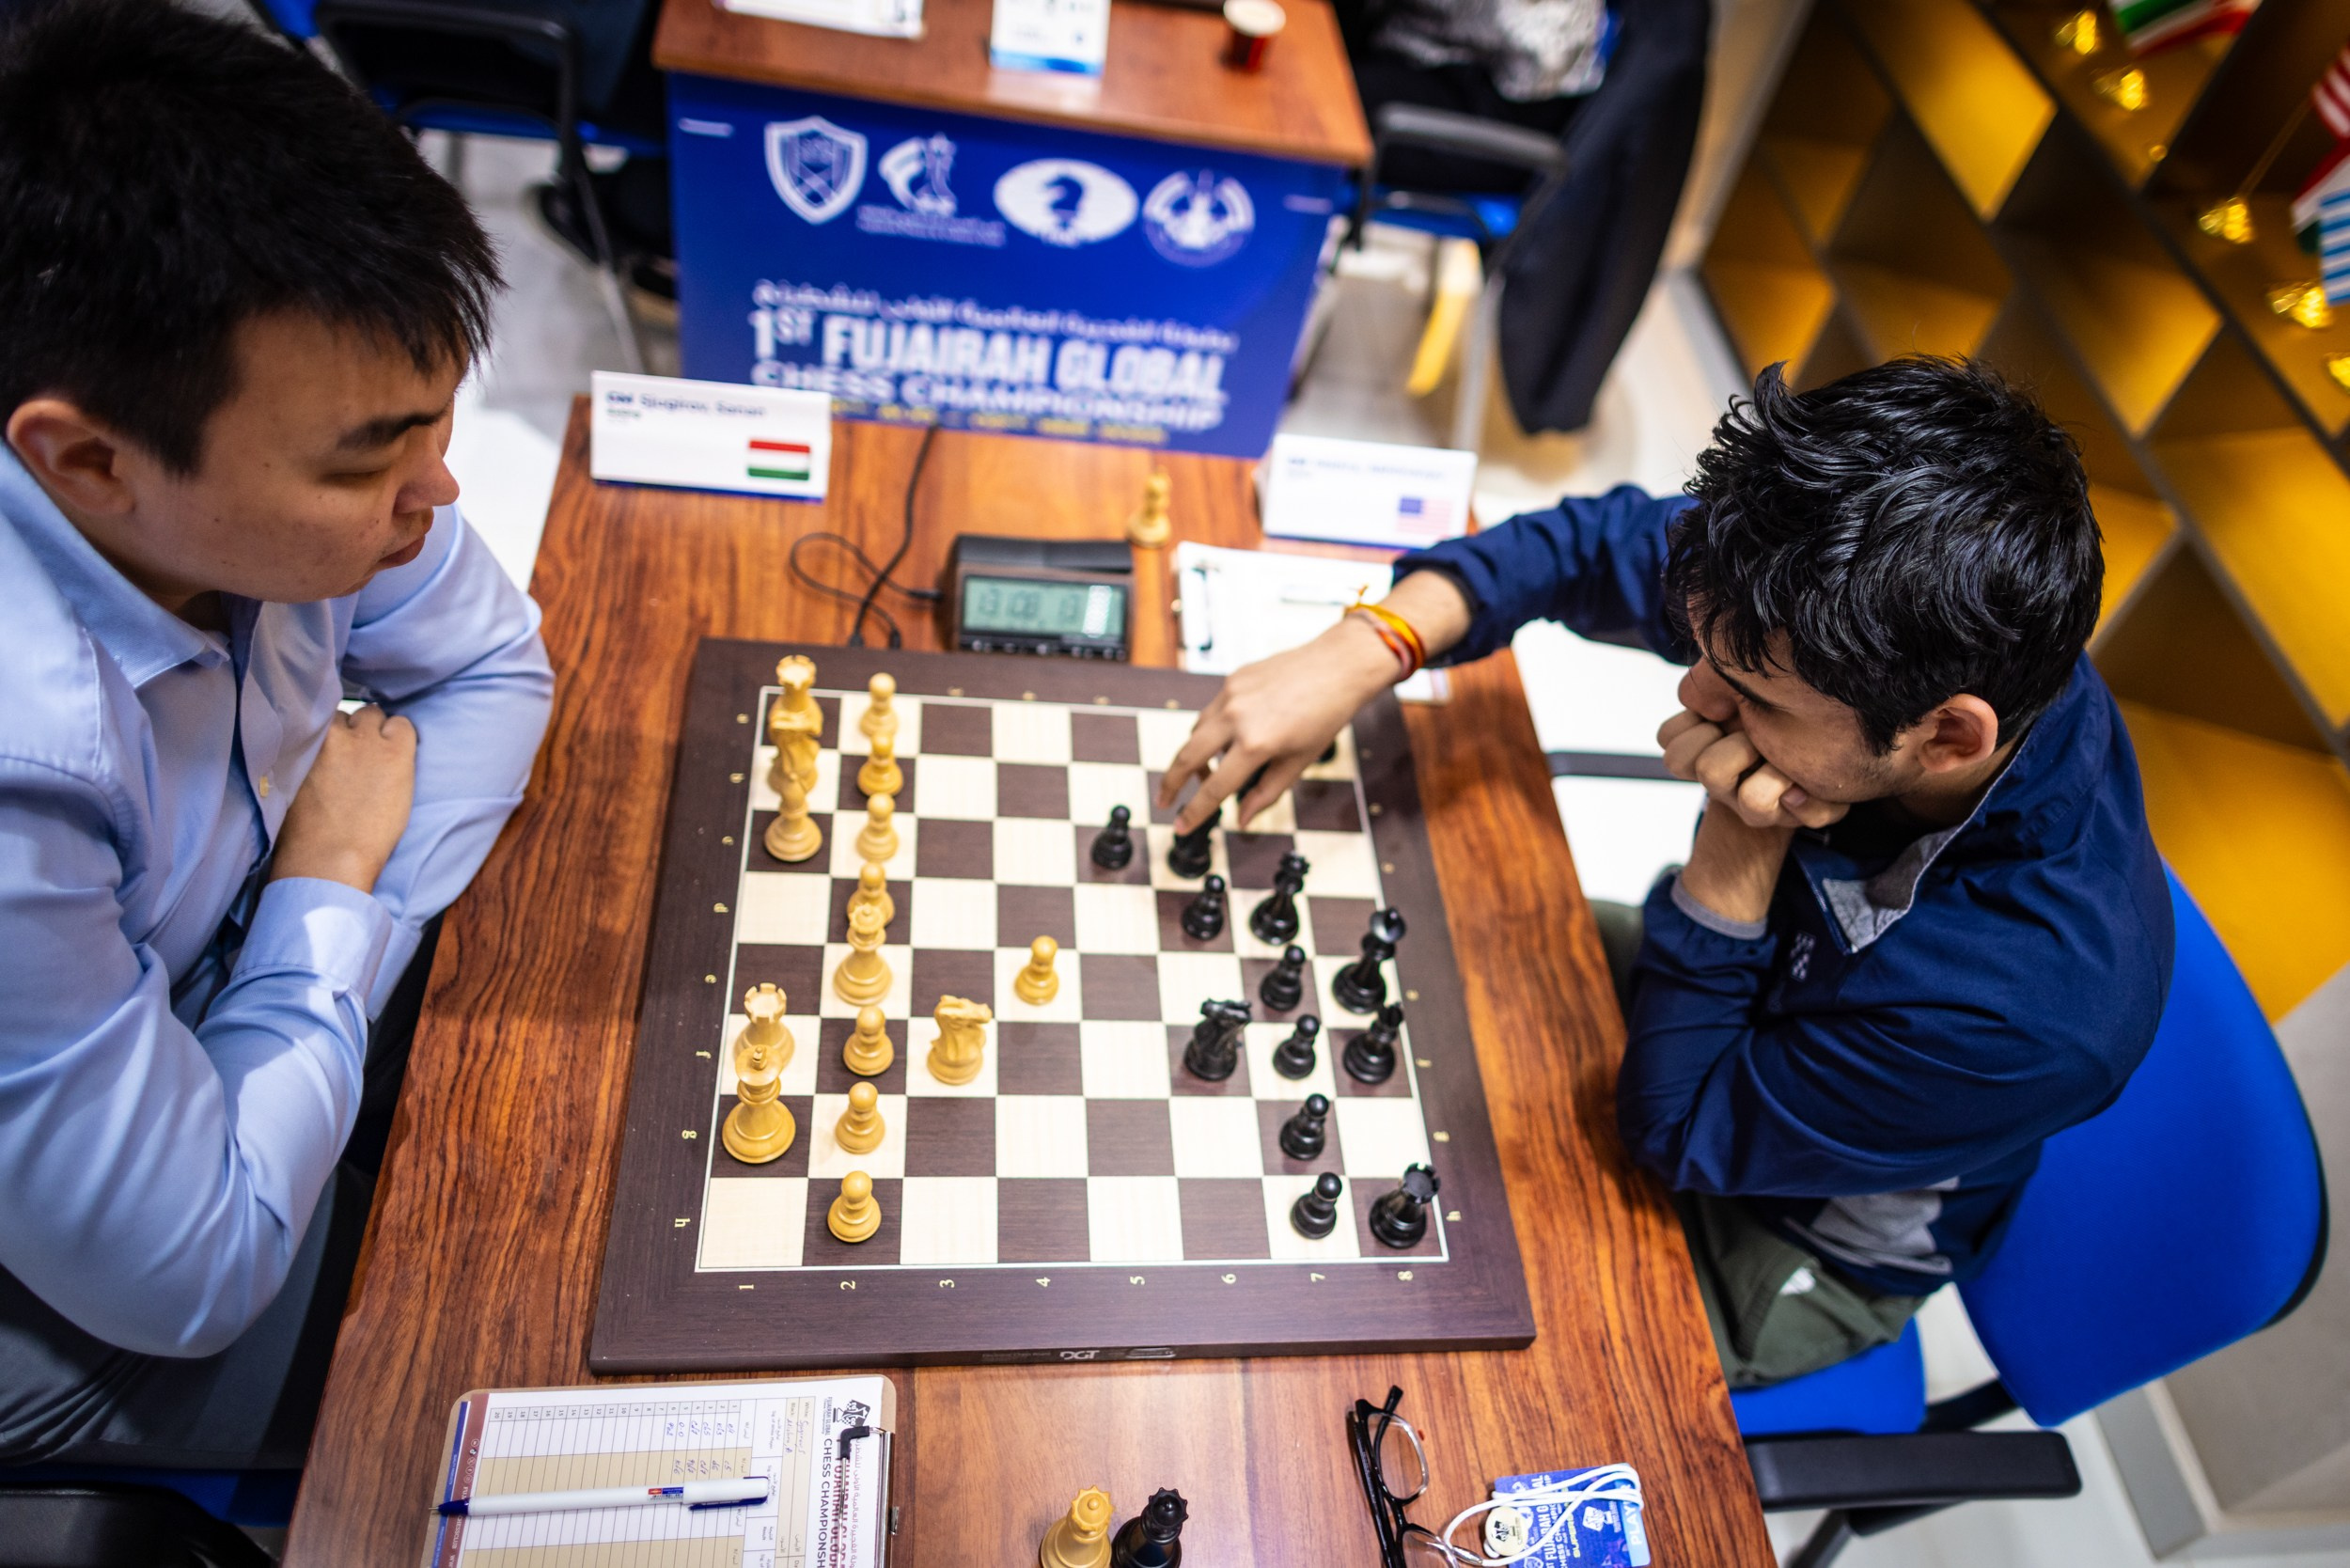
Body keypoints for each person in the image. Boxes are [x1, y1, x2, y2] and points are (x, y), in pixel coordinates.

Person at [1158, 357, 2174, 1386]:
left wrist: (1740, 837)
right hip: (1719, 978)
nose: (1693, 696)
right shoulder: (1879, 596)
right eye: (1700, 648)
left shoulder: (2032, 1013)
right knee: (1387, 937)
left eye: (1752, 698)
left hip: (1783, 1231)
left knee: (1408, 1341)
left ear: (1949, 738)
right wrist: (1370, 644)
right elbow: (1586, 547)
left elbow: (1676, 1127)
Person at [0, 0, 554, 1466]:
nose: (438, 496)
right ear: (90, 460)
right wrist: (323, 891)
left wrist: (294, 987)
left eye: (438, 425)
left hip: (178, 1052)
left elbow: (494, 666)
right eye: (366, 461)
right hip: (67, 1299)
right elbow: (202, 1264)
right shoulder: (19, 773)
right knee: (498, 1362)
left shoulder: (293, 486)